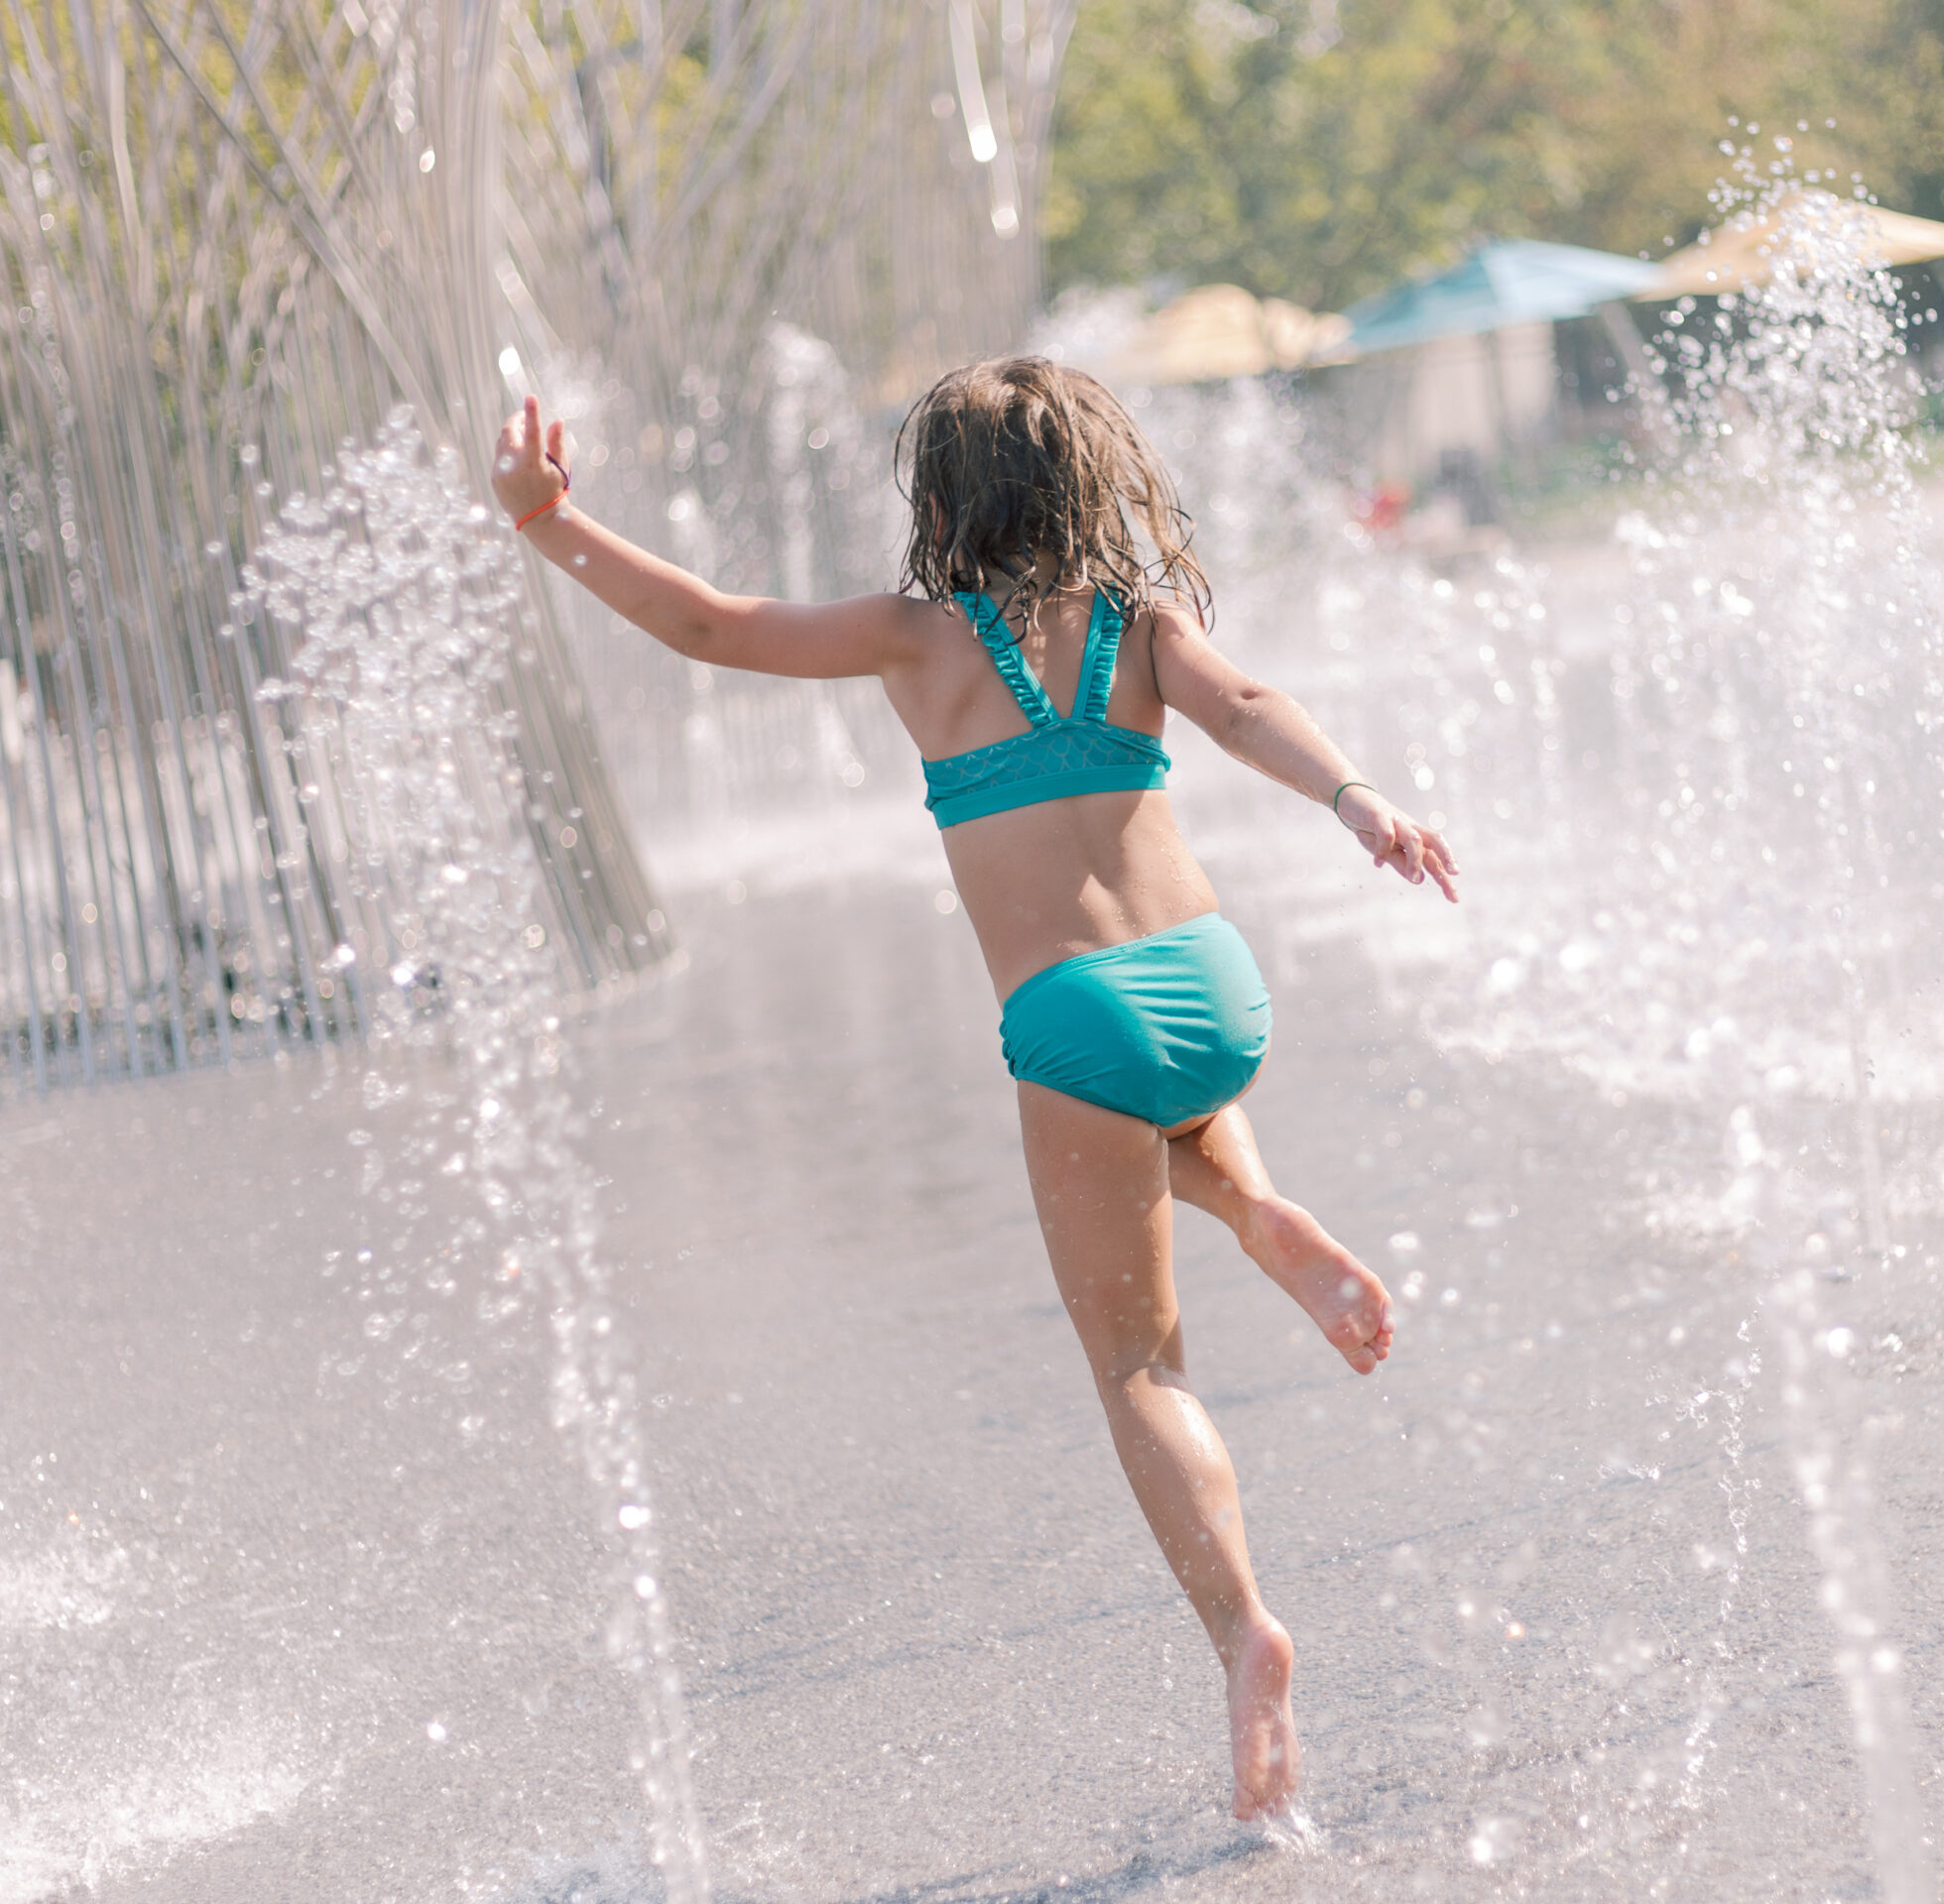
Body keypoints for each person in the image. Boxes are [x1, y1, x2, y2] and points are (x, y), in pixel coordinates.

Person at [489, 360, 1458, 1825]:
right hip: (1215, 985)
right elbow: (1249, 705)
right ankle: (1257, 1203)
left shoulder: (915, 641)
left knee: (1141, 1366)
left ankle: (1244, 1633)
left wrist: (548, 520)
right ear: (1094, 479)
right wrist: (1358, 801)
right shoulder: (1142, 624)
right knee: (1164, 1103)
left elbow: (704, 623)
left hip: (1074, 1016)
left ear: (938, 496)